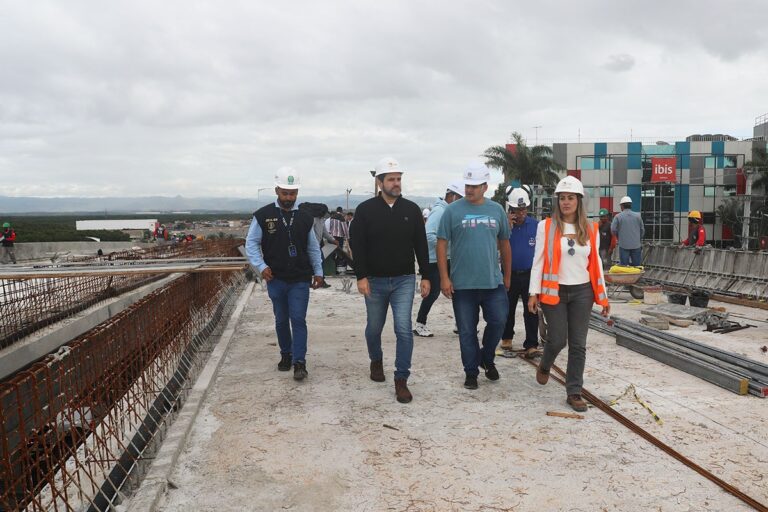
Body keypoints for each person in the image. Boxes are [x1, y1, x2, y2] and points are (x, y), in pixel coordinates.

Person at [349, 157, 430, 404]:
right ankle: (376, 360)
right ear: (379, 182)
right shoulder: (365, 210)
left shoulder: (412, 210)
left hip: (404, 280)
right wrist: (361, 276)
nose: (396, 183)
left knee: (403, 329)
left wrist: (426, 275)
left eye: (399, 179)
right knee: (374, 328)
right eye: (391, 179)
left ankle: (401, 379)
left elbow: (421, 245)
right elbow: (357, 245)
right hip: (374, 281)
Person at [528, 175, 610, 412]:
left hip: (582, 292)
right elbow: (538, 261)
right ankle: (545, 363)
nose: (566, 202)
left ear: (579, 200)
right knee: (557, 339)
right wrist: (533, 293)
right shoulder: (546, 226)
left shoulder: (591, 229)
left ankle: (574, 391)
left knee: (578, 344)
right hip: (555, 292)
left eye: (570, 198)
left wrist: (603, 296)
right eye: (562, 198)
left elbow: (596, 264)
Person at [246, 167, 325, 381]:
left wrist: (318, 271)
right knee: (281, 320)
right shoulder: (263, 216)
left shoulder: (305, 218)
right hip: (276, 278)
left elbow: (312, 247)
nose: (289, 198)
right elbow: (251, 244)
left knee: (298, 319)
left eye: (292, 193)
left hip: (300, 277)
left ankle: (300, 362)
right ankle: (285, 354)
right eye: (285, 193)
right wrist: (261, 266)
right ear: (276, 190)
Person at [437, 162, 511, 390]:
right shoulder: (452, 211)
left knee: (499, 321)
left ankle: (486, 358)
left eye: (475, 186)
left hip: (492, 282)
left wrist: (506, 275)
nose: (469, 190)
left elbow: (504, 244)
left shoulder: (496, 209)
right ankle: (471, 372)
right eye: (468, 185)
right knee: (467, 330)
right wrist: (444, 278)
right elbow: (441, 244)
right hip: (463, 285)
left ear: (485, 187)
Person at [413, 181, 464, 337]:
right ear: (453, 196)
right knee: (434, 292)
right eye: (460, 198)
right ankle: (420, 324)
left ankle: (461, 323)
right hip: (435, 259)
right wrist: (446, 244)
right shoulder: (440, 212)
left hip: (446, 258)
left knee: (456, 290)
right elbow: (428, 235)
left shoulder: (448, 211)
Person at [500, 188, 539, 358]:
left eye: (524, 209)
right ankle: (507, 337)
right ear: (511, 209)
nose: (521, 213)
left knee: (531, 309)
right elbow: (496, 246)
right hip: (509, 273)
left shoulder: (536, 226)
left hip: (530, 274)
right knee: (507, 307)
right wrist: (506, 227)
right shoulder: (504, 225)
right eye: (517, 210)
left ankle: (531, 343)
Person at [611, 196, 644, 266]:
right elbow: (642, 230)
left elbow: (613, 229)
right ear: (630, 205)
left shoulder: (618, 216)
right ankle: (636, 277)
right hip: (636, 245)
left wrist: (618, 237)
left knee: (624, 266)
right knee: (637, 266)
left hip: (623, 245)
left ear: (622, 206)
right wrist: (638, 239)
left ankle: (626, 277)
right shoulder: (638, 216)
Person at [328, 207, 350, 274]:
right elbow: (345, 228)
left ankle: (332, 268)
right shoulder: (341, 217)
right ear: (341, 211)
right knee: (339, 252)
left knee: (332, 252)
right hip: (339, 237)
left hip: (332, 237)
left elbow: (330, 227)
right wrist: (347, 237)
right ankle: (338, 268)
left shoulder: (331, 217)